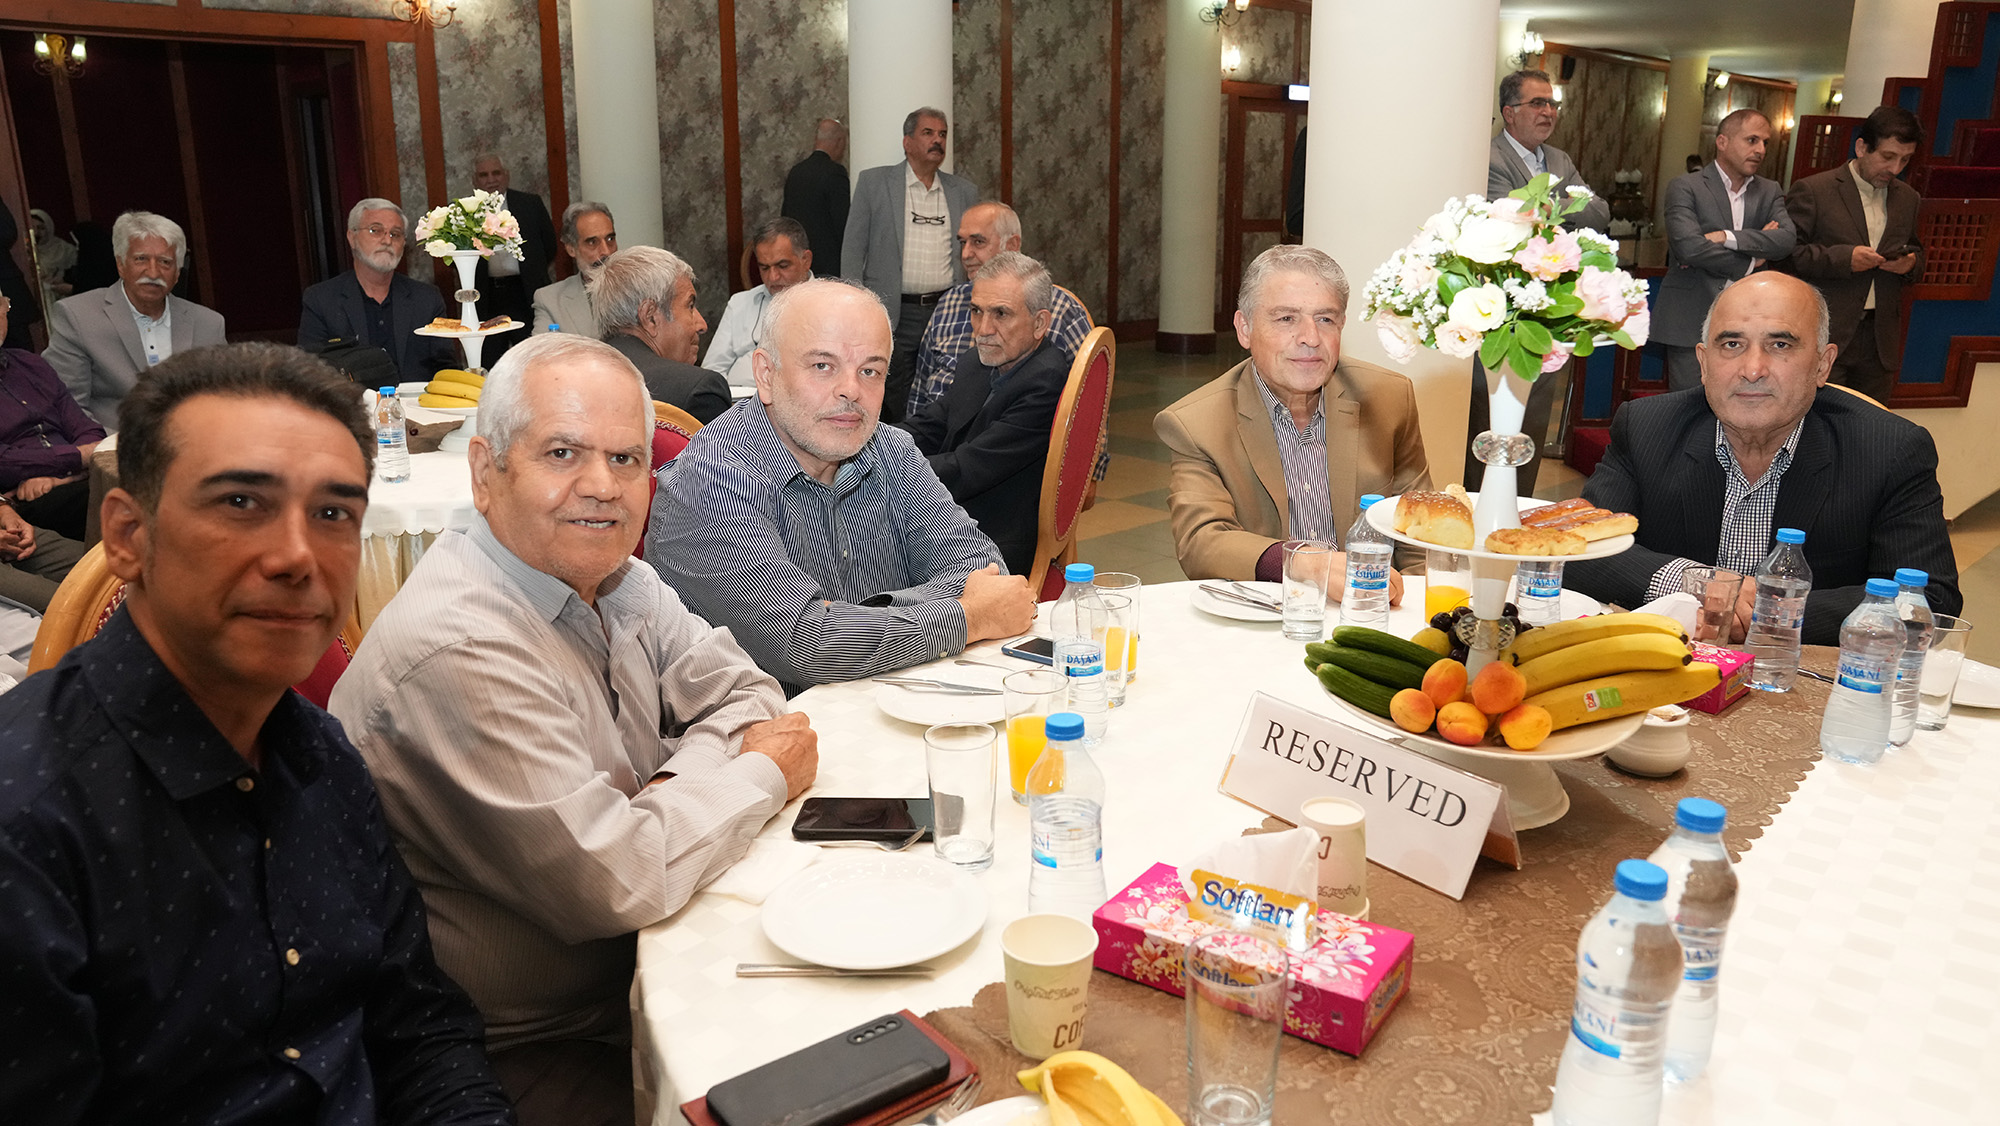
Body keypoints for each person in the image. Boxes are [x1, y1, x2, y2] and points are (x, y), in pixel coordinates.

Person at [0, 341, 513, 1124]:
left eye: (333, 513)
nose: (298, 556)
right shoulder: (28, 824)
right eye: (241, 502)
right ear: (128, 536)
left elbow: (419, 1026)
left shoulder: (322, 754)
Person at [331, 332, 816, 1125]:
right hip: (524, 1046)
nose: (602, 487)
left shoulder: (618, 577)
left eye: (626, 460)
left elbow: (751, 695)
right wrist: (755, 773)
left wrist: (667, 788)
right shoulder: (460, 648)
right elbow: (620, 879)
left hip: (644, 962)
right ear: (485, 473)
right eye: (562, 453)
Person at [649, 278, 1034, 692]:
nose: (851, 390)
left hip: (897, 702)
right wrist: (967, 616)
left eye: (870, 371)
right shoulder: (711, 481)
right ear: (765, 374)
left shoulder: (890, 449)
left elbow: (984, 572)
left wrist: (849, 620)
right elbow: (809, 646)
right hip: (768, 725)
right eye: (822, 366)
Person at [1566, 273, 1960, 645]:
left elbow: (1928, 601)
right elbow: (1577, 551)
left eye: (1780, 345)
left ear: (1822, 365)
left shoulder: (1889, 450)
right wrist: (1696, 583)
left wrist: (1770, 611)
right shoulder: (1647, 427)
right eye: (1731, 344)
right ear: (1703, 363)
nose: (1752, 369)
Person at [1154, 244, 1431, 586]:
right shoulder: (1197, 424)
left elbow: (1420, 534)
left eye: (1325, 319)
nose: (1310, 338)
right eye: (1286, 318)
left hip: (1373, 604)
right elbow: (1202, 543)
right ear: (1245, 329)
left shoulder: (1388, 399)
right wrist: (1308, 564)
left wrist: (1413, 605)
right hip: (1267, 608)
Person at [1472, 68, 1613, 492]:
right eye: (1538, 103)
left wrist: (1546, 206)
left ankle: (1521, 503)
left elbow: (1599, 213)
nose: (1548, 111)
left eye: (1552, 103)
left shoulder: (1560, 159)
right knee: (1489, 417)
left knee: (1533, 416)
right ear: (1509, 112)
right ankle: (1481, 503)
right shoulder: (1489, 157)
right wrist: (1564, 202)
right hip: (1500, 307)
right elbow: (1510, 218)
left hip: (1548, 306)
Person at [900, 252, 1071, 576]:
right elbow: (930, 425)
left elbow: (968, 468)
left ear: (1039, 324)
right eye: (976, 311)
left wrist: (888, 468)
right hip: (953, 516)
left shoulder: (1046, 382)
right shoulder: (977, 362)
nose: (983, 329)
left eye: (1001, 314)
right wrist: (869, 441)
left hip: (993, 543)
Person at [1777, 105, 1925, 404]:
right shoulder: (1814, 190)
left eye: (1905, 159)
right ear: (1861, 147)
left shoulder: (1908, 198)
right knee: (1821, 422)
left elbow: (1917, 252)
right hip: (1826, 331)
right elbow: (1786, 257)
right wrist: (1845, 260)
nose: (1895, 168)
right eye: (1887, 157)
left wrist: (1910, 264)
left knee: (1873, 425)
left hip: (1880, 339)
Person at [842, 107, 979, 423]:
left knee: (944, 390)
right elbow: (852, 250)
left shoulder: (964, 192)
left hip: (947, 310)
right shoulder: (874, 183)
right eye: (928, 133)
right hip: (894, 312)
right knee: (894, 395)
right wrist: (854, 309)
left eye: (942, 134)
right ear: (907, 142)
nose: (937, 140)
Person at [906, 201, 1093, 416]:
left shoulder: (1062, 310)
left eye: (978, 242)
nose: (965, 254)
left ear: (1012, 245)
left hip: (1013, 429)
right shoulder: (949, 303)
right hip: (937, 427)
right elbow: (919, 390)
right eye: (963, 242)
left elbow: (1089, 407)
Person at [1654, 109, 1796, 391]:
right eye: (1752, 140)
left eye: (1765, 143)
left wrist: (1726, 237)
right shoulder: (1686, 186)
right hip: (1690, 319)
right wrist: (1752, 260)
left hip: (1752, 324)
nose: (1761, 150)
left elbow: (1786, 240)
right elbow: (1689, 247)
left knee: (1740, 405)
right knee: (1689, 406)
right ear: (1722, 142)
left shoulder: (1769, 190)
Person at [44, 211, 226, 428]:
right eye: (141, 259)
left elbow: (222, 401)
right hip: (114, 441)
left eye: (165, 262)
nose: (153, 272)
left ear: (177, 273)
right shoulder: (78, 316)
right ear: (121, 265)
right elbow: (68, 406)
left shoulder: (208, 323)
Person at [299, 199, 458, 384]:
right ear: (352, 237)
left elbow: (447, 371)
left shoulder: (426, 299)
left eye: (395, 234)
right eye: (375, 230)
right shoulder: (321, 299)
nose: (387, 240)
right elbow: (308, 374)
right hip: (353, 401)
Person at [0, 296, 104, 542]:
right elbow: (4, 463)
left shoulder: (31, 364)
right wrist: (79, 458)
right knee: (123, 496)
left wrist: (60, 478)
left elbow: (88, 430)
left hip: (66, 482)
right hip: (21, 502)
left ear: (6, 307)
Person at [591, 246, 730, 425]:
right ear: (650, 317)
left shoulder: (572, 378)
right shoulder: (698, 390)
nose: (702, 325)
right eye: (690, 306)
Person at [704, 217, 815, 388]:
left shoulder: (833, 304)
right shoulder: (739, 303)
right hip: (738, 398)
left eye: (782, 266)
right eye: (764, 268)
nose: (773, 277)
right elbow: (713, 370)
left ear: (806, 260)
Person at [469, 153, 560, 361]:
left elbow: (549, 246)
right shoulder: (466, 212)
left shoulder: (530, 204)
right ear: (475, 181)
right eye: (483, 175)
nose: (491, 179)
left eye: (496, 173)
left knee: (531, 356)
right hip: (488, 296)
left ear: (506, 175)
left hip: (525, 293)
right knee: (490, 358)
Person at [533, 201, 618, 338]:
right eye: (592, 242)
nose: (606, 251)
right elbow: (541, 349)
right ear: (571, 249)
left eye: (610, 239)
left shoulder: (642, 289)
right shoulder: (550, 299)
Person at [782, 117, 850, 278]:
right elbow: (843, 223)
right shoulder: (835, 172)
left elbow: (785, 218)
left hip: (798, 260)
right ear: (840, 142)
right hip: (827, 265)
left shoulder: (796, 171)